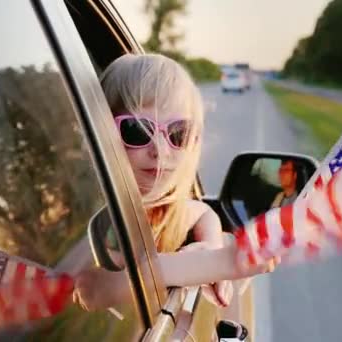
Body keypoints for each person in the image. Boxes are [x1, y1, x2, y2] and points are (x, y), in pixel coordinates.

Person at [72, 54, 278, 325]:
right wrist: (221, 262)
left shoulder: (163, 208)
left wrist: (209, 244)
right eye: (137, 130)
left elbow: (202, 212)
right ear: (101, 134)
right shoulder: (109, 215)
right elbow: (113, 283)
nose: (159, 150)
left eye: (177, 133)